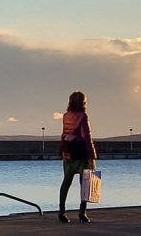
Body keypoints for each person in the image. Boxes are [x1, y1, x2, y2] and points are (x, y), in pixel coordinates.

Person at [58, 90, 96, 223]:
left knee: (66, 183)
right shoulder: (83, 116)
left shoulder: (65, 115)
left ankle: (62, 212)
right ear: (83, 103)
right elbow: (87, 137)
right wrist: (92, 157)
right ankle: (82, 212)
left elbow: (64, 133)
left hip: (68, 154)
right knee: (85, 184)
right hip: (81, 154)